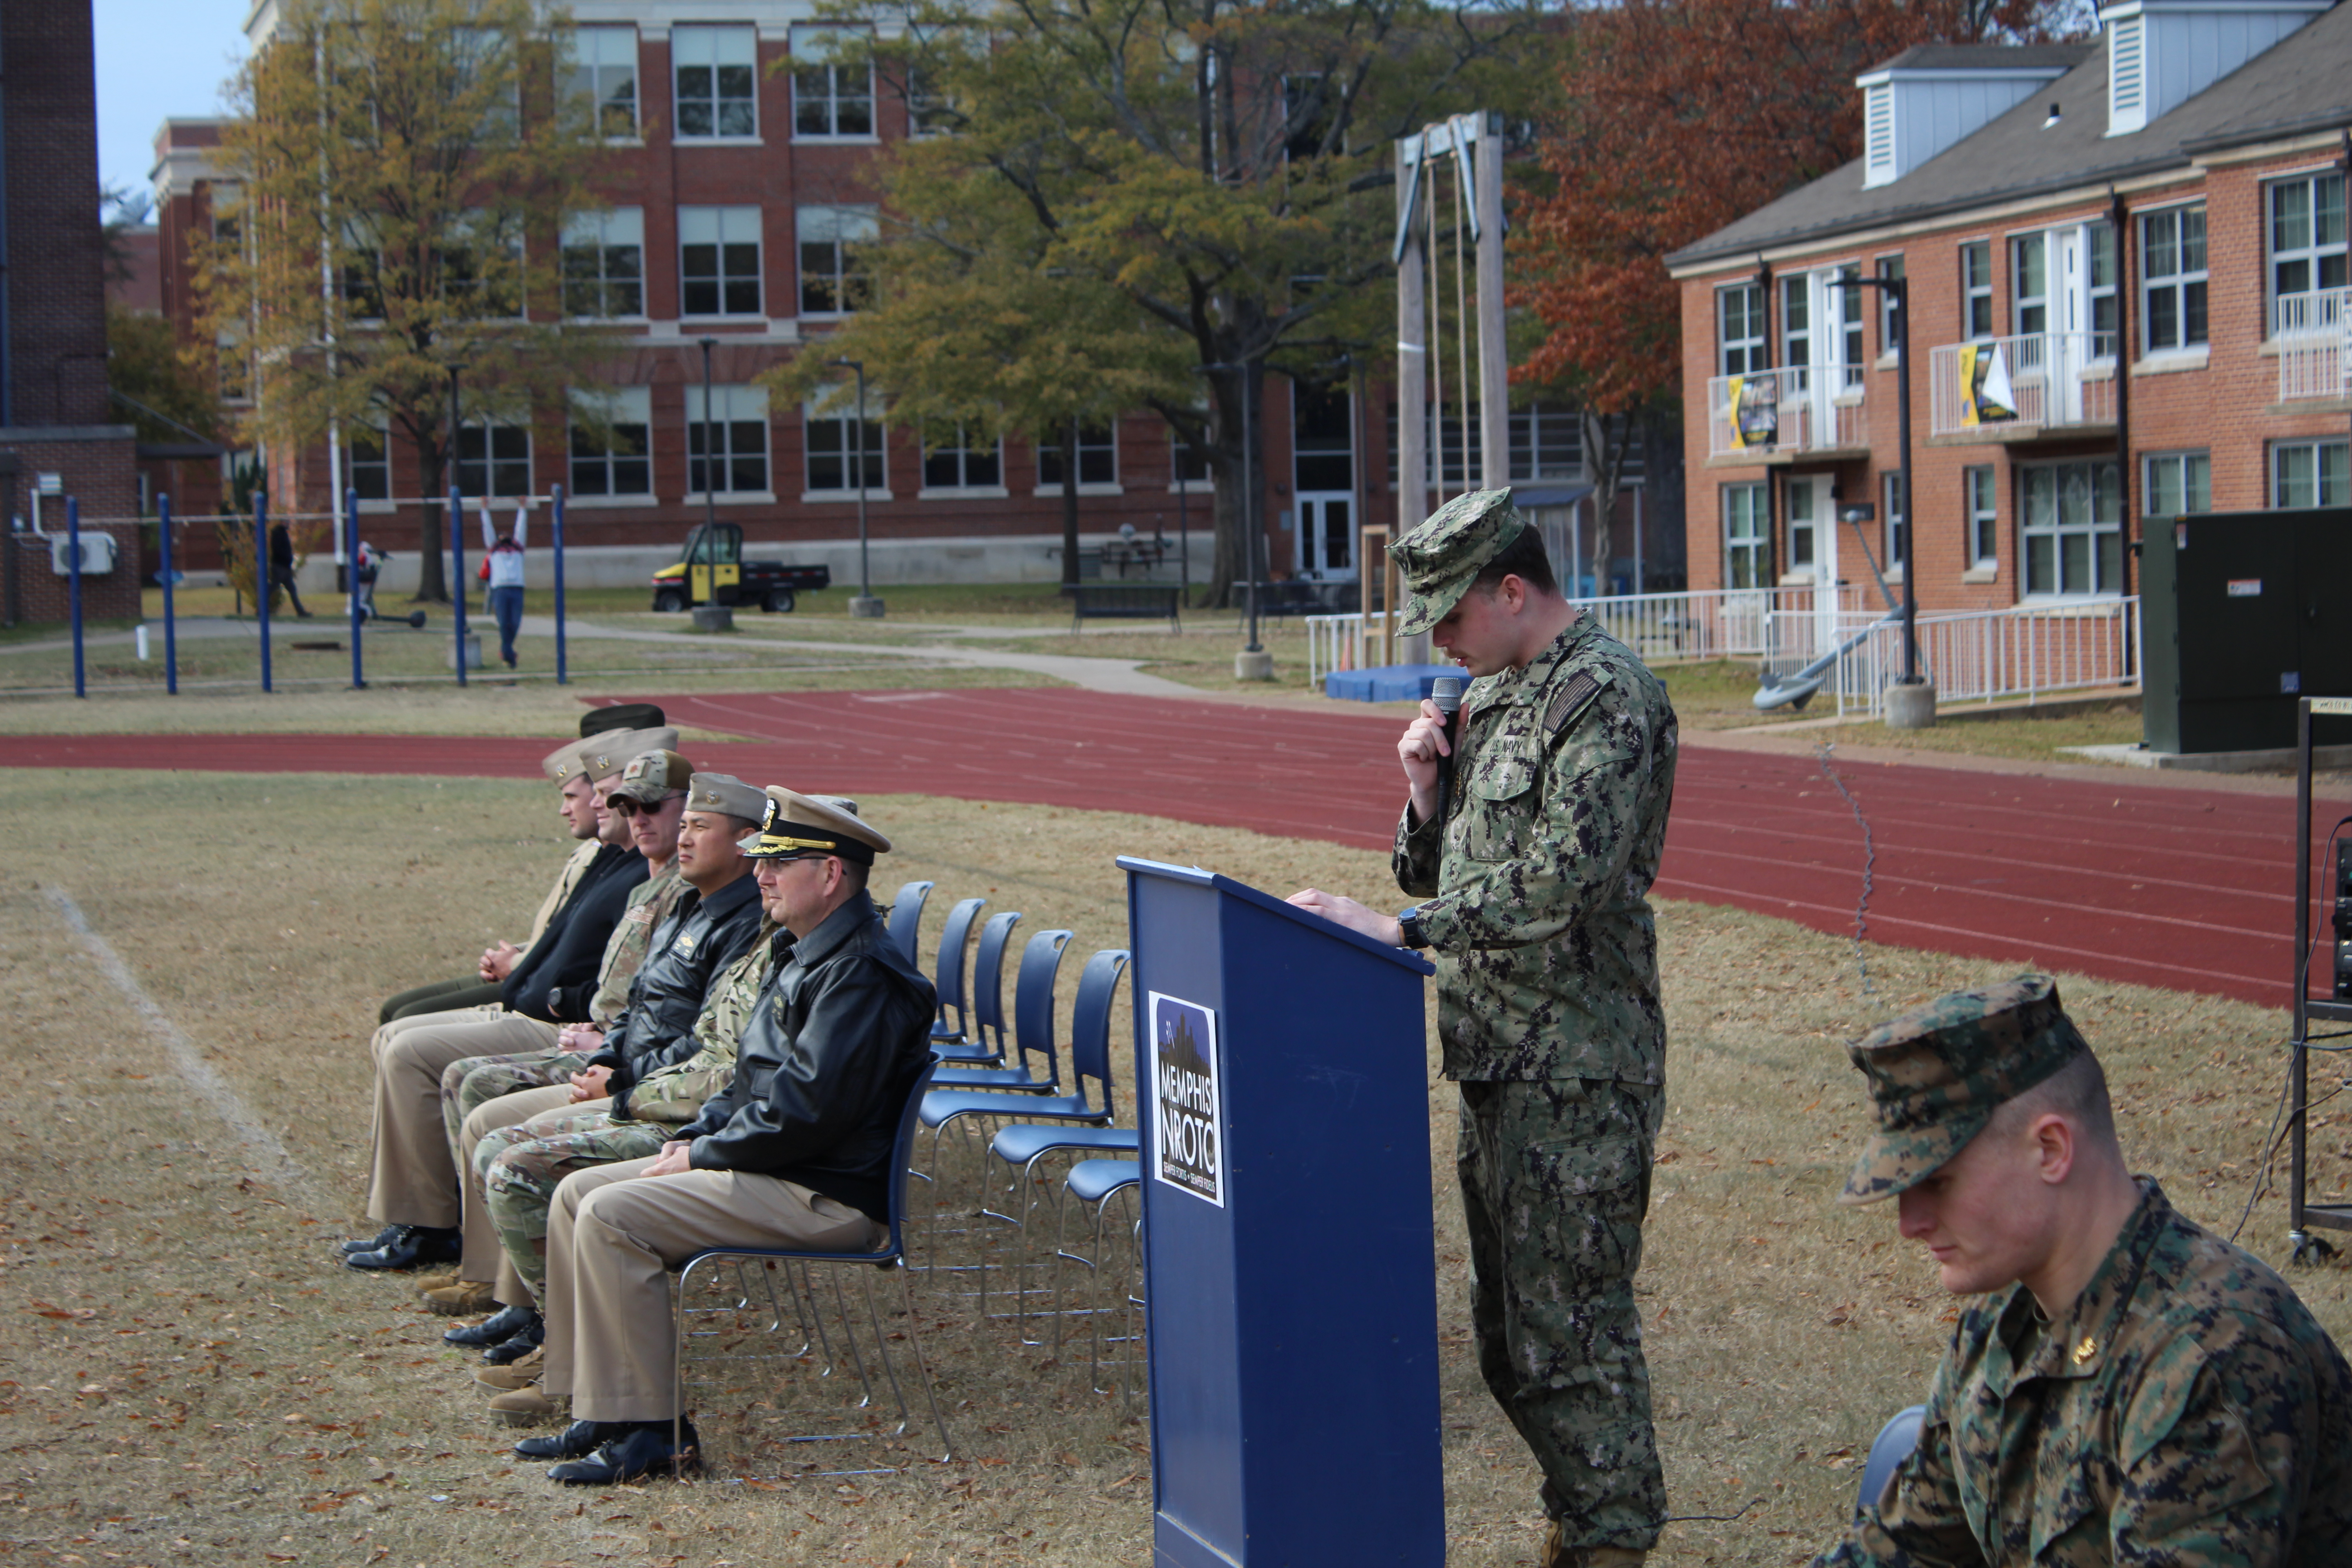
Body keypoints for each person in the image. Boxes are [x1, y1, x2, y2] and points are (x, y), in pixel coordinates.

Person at [1286, 488, 1678, 1568]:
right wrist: (1423, 793)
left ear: (1513, 589)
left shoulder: (1604, 696)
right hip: (1499, 1057)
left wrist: (1404, 925)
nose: (1439, 640)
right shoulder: (1499, 696)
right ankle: (1584, 1513)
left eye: (1449, 617)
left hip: (1576, 1066)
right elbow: (1450, 863)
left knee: (1574, 1334)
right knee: (1509, 1339)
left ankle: (1610, 1538)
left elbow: (1569, 877)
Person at [1810, 974, 2352, 1567]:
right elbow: (1908, 1548)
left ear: (2050, 1149)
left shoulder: (2211, 1355)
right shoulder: (2001, 1326)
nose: (1909, 1223)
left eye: (1936, 1183)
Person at [521, 789, 936, 1484]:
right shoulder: (807, 949)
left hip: (821, 1194)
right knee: (575, 1195)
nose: (762, 877)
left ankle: (654, 1438)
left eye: (777, 865)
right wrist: (700, 1133)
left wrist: (701, 1152)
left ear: (830, 875)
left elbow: (804, 1113)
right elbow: (753, 1081)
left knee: (611, 1215)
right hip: (783, 1167)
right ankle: (602, 1407)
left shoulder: (860, 972)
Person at [470, 775, 778, 1423]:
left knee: (525, 1164)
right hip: (661, 1093)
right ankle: (560, 1343)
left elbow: (730, 1065)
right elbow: (650, 1014)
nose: (683, 837)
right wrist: (614, 1062)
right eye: (684, 823)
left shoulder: (764, 934)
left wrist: (628, 1088)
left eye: (700, 826)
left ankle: (576, 1361)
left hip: (690, 1116)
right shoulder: (692, 904)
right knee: (504, 1140)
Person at [342, 729, 666, 1273]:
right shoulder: (618, 863)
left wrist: (565, 1001)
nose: (593, 806)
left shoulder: (647, 874)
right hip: (550, 1014)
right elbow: (571, 946)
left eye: (619, 797)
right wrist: (526, 964)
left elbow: (635, 994)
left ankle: (438, 1229)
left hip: (567, 1027)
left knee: (423, 1057)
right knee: (401, 1033)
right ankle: (440, 1232)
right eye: (614, 798)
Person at [377, 707, 665, 1025]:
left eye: (604, 793)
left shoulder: (639, 865)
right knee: (400, 1017)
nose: (595, 804)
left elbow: (608, 965)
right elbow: (566, 932)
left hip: (551, 1003)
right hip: (532, 983)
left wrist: (520, 966)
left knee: (406, 1027)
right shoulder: (608, 854)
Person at [481, 500, 526, 669]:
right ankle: (509, 654)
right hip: (500, 589)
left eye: (507, 534)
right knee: (503, 622)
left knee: (514, 623)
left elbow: (521, 529)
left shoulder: (518, 549)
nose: (505, 535)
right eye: (501, 535)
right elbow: (487, 529)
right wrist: (484, 510)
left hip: (517, 588)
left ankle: (505, 650)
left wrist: (522, 508)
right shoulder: (494, 550)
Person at [269, 519, 313, 617]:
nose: (289, 525)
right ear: (282, 523)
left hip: (285, 567)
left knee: (291, 590)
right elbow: (279, 549)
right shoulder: (278, 534)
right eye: (287, 523)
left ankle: (300, 612)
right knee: (272, 589)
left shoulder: (283, 533)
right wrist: (286, 558)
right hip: (280, 566)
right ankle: (262, 609)